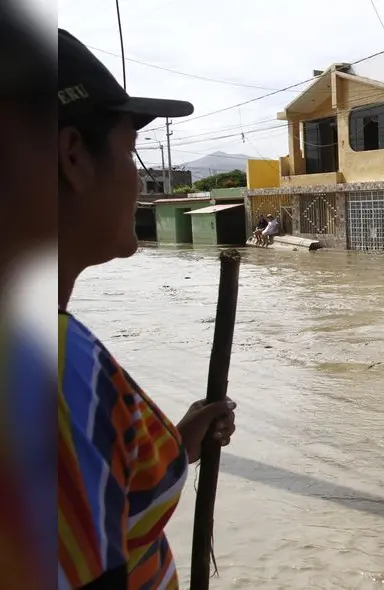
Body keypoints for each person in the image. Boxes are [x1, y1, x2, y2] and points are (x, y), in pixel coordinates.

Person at [58, 29, 237, 589]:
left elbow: (104, 487)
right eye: (131, 148)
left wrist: (177, 444)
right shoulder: (50, 374)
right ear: (74, 157)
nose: (139, 178)